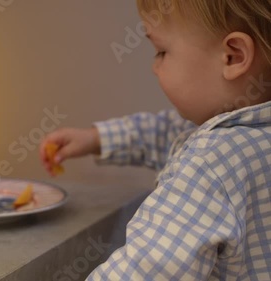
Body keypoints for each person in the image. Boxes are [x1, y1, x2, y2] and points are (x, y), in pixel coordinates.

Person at [39, 0, 271, 279]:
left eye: (161, 51)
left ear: (232, 56)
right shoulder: (249, 140)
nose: (154, 67)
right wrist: (96, 139)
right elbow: (166, 131)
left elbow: (147, 270)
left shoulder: (209, 162)